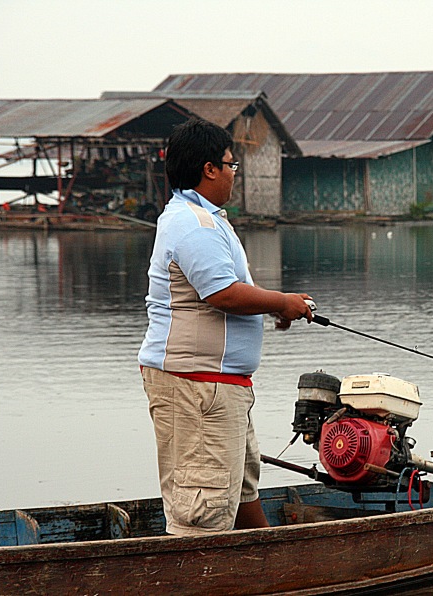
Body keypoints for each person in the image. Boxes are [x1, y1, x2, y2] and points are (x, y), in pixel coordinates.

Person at [138, 117, 313, 535]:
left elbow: (234, 289)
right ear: (209, 169)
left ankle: (270, 565)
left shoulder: (206, 218)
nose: (235, 174)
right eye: (231, 165)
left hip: (219, 388)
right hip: (198, 388)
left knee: (239, 489)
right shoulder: (193, 224)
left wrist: (276, 307)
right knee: (202, 507)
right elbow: (223, 295)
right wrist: (282, 301)